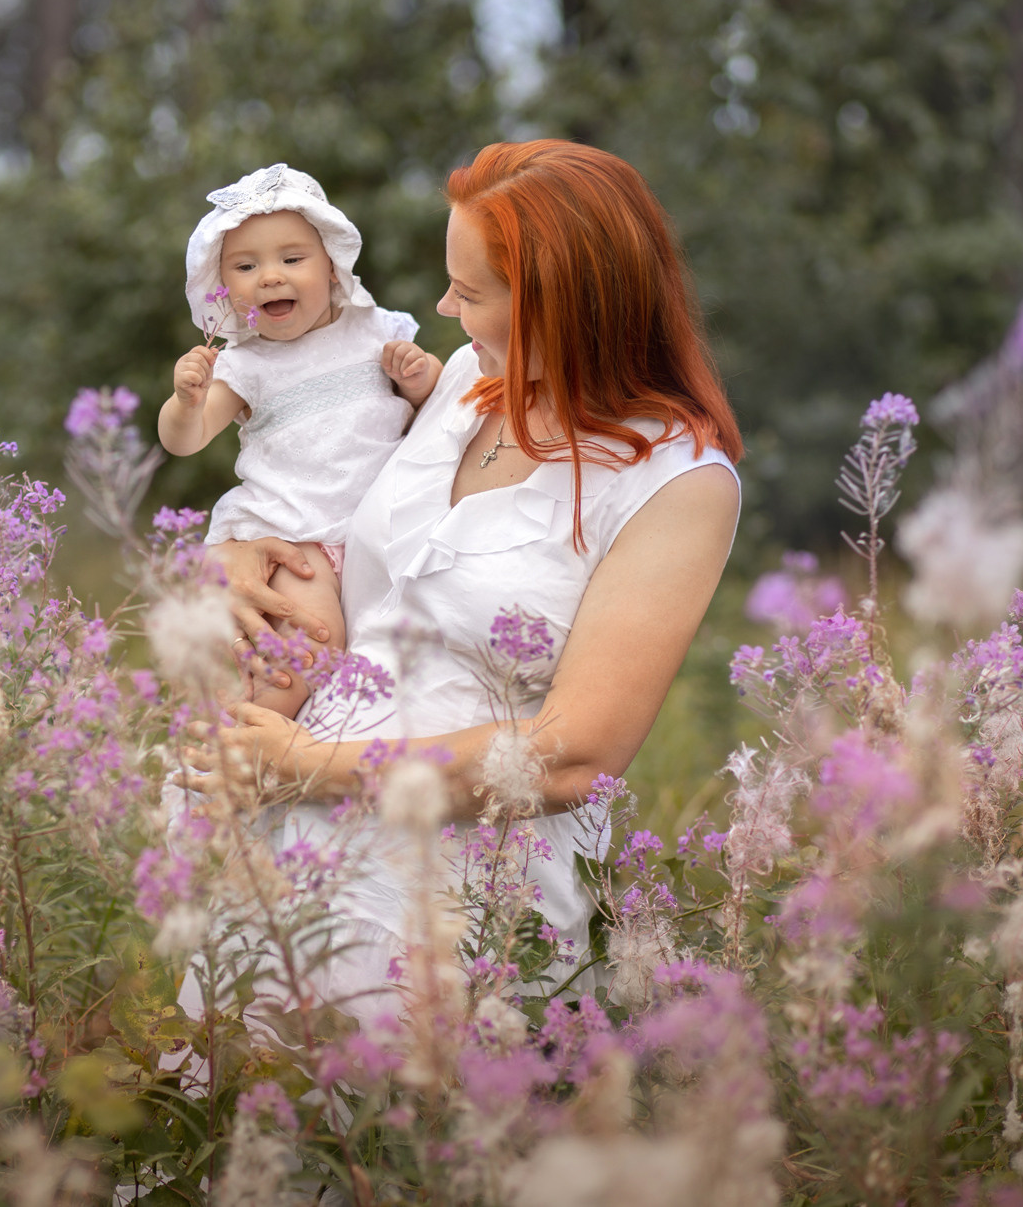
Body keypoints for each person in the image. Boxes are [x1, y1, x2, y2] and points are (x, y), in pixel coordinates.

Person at [185, 139, 744, 1020]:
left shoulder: (678, 483)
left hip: (468, 902)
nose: (443, 308)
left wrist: (311, 766)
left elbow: (576, 753)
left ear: (565, 307)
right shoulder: (453, 389)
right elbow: (322, 515)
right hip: (290, 853)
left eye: (471, 292)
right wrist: (232, 556)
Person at [158, 163, 444, 718]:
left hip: (380, 528)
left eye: (292, 259)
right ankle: (248, 749)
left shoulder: (376, 330)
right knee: (311, 649)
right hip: (290, 536)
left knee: (389, 649)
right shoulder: (246, 366)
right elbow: (184, 441)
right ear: (225, 293)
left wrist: (417, 376)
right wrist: (185, 404)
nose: (270, 276)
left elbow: (433, 398)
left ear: (333, 268)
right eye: (245, 266)